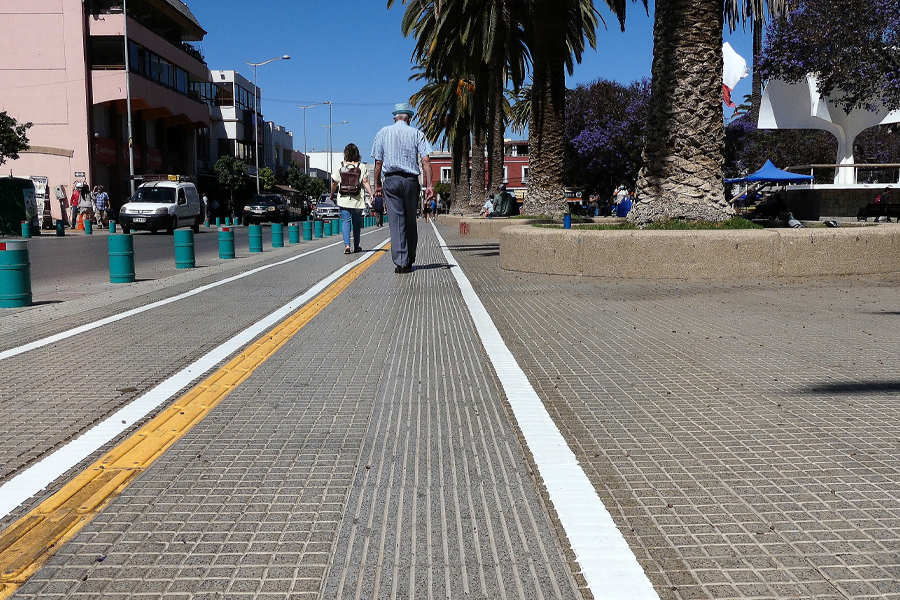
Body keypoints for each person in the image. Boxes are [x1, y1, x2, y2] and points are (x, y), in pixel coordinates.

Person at [372, 102, 434, 274]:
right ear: (409, 119)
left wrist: (377, 184)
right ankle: (411, 257)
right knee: (410, 220)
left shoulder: (383, 132)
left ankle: (401, 262)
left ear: (395, 118)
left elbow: (378, 162)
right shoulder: (417, 133)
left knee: (396, 221)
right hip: (411, 181)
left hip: (391, 181)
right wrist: (429, 185)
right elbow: (426, 160)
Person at [330, 143, 375, 254]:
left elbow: (334, 183)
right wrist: (371, 194)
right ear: (357, 154)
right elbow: (365, 182)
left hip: (343, 198)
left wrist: (332, 194)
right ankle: (356, 245)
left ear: (346, 153)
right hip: (357, 199)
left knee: (346, 221)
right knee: (356, 222)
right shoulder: (361, 166)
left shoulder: (340, 166)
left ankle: (347, 246)